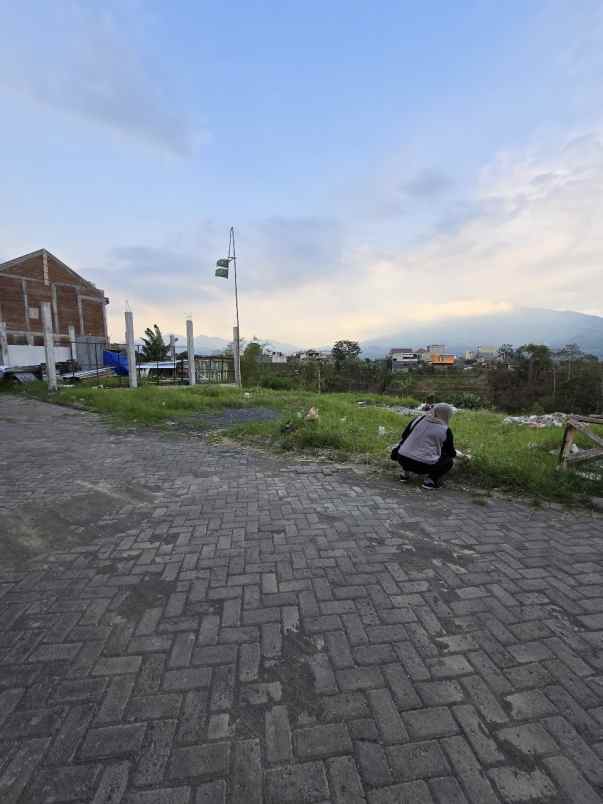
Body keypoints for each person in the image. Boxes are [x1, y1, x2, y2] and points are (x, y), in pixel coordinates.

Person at [393, 403, 456, 489]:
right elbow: (451, 452)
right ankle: (430, 481)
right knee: (448, 461)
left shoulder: (417, 419)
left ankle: (405, 474)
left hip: (402, 458)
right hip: (423, 467)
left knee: (408, 447)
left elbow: (404, 436)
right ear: (448, 415)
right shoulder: (445, 430)